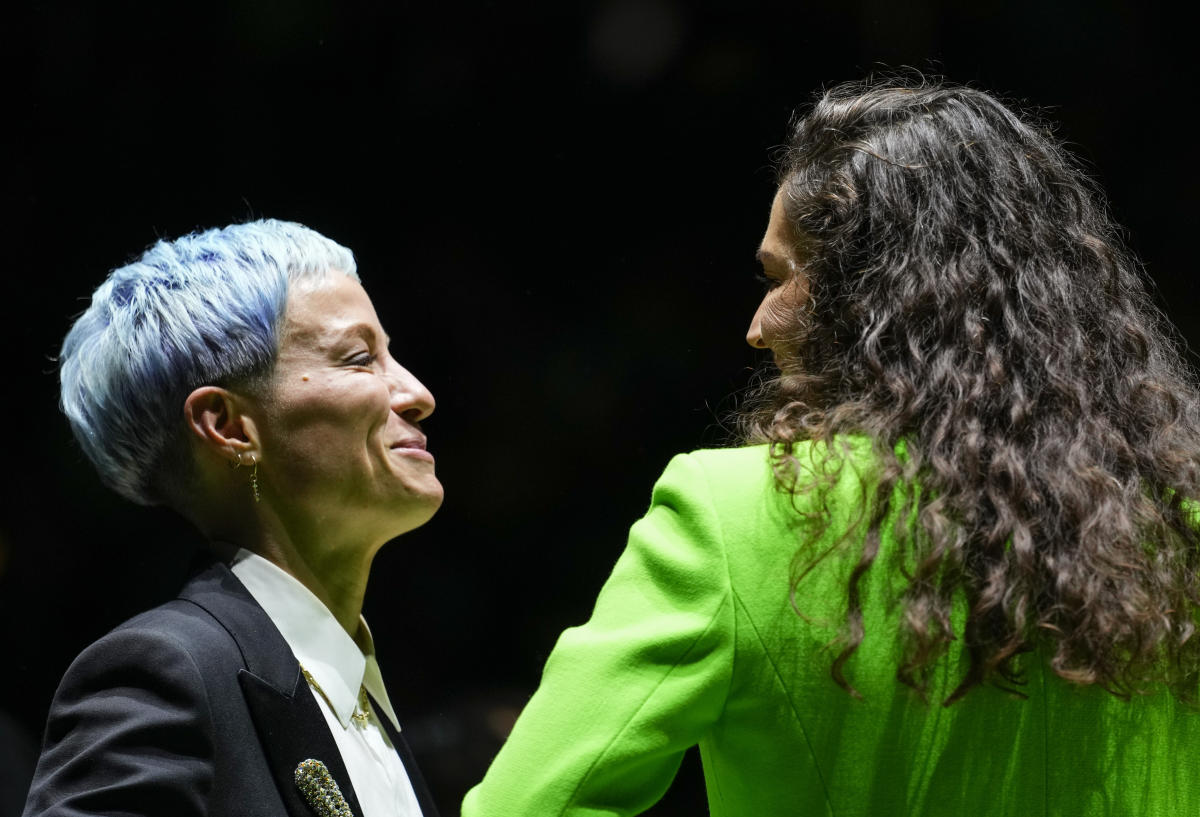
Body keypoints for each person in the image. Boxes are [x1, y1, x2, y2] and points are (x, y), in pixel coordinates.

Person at [461, 77, 1200, 815]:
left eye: (781, 276)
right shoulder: (1176, 532)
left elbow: (529, 805)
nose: (757, 326)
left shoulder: (732, 516)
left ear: (874, 300)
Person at [24, 221, 443, 817]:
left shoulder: (353, 686)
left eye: (391, 356)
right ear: (227, 427)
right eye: (358, 359)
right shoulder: (164, 673)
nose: (416, 392)